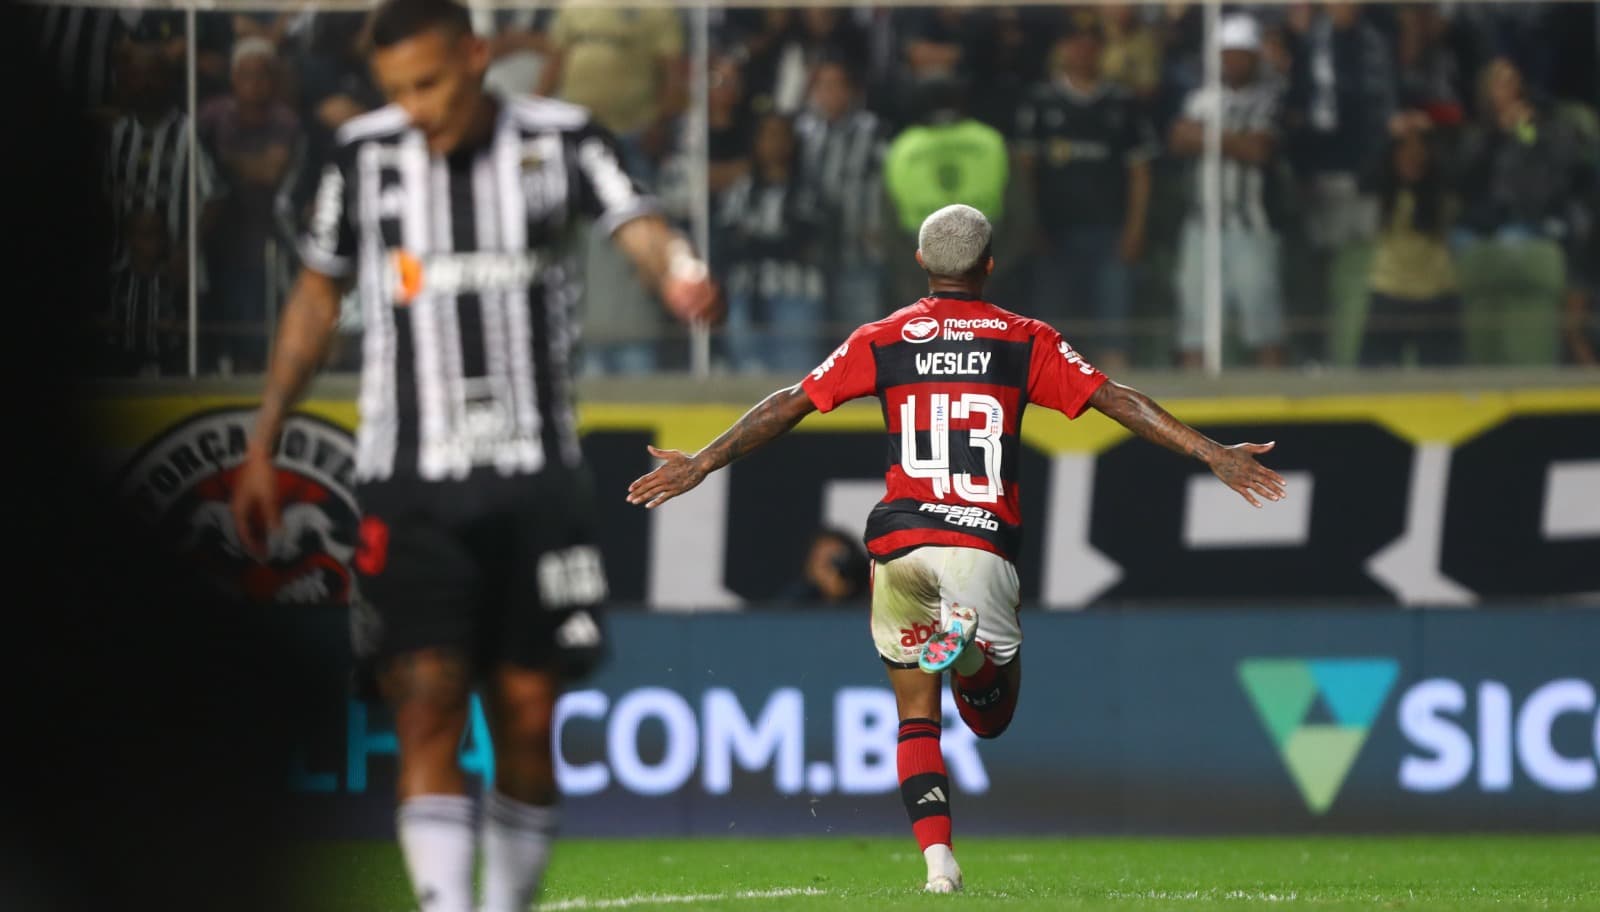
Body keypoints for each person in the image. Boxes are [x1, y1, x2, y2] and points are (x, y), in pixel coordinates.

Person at [627, 204, 1284, 893]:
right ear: (989, 265)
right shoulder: (1024, 339)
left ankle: (938, 865)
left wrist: (701, 462)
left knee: (916, 715)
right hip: (977, 540)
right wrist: (1212, 452)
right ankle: (967, 651)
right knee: (989, 717)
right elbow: (1116, 399)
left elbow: (789, 402)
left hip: (900, 541)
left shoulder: (883, 337)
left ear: (920, 262)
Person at [228, 2, 718, 911]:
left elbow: (640, 225)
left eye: (430, 84)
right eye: (397, 91)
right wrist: (264, 438)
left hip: (535, 478)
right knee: (426, 705)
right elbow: (316, 296)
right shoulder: (361, 157)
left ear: (477, 57)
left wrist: (680, 271)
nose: (415, 109)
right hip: (408, 481)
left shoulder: (563, 139)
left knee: (528, 714)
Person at [1015, 14, 1156, 370]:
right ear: (1062, 48)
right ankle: (1056, 397)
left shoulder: (1122, 102)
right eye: (1074, 40)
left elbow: (1140, 172)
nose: (1082, 48)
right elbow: (1026, 171)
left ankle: (1117, 396)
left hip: (1110, 233)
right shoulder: (1040, 102)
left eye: (1091, 40)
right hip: (1054, 233)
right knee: (1054, 335)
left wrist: (1135, 229)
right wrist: (1030, 223)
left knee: (1113, 329)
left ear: (1101, 48)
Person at [1168, 13, 1287, 368]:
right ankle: (1190, 402)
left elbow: (1259, 150)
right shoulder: (1201, 97)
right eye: (1227, 53)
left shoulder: (1271, 98)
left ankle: (1275, 395)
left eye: (1240, 53)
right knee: (1195, 322)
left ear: (1254, 57)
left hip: (1252, 224)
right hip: (1201, 224)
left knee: (1263, 320)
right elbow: (1177, 139)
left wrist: (1205, 136)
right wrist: (1234, 139)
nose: (1233, 61)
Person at [777, 527, 871, 604]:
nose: (827, 571)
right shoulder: (796, 602)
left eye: (835, 560)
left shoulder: (872, 598)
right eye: (819, 560)